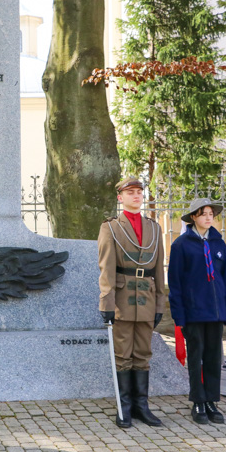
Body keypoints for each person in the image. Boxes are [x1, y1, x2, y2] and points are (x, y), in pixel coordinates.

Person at [98, 177, 165, 428]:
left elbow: (158, 269)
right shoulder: (111, 228)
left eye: (139, 192)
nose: (136, 196)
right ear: (120, 197)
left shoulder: (154, 228)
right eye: (130, 193)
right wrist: (107, 303)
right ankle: (124, 407)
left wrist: (160, 304)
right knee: (123, 355)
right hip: (123, 300)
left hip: (146, 299)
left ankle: (142, 407)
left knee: (143, 354)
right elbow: (106, 269)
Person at [168, 198, 226, 424]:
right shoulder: (181, 245)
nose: (208, 217)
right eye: (203, 213)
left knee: (214, 358)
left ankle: (211, 400)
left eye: (211, 214)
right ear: (194, 216)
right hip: (194, 313)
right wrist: (180, 316)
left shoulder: (219, 244)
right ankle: (198, 401)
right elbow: (175, 284)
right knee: (196, 358)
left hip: (216, 313)